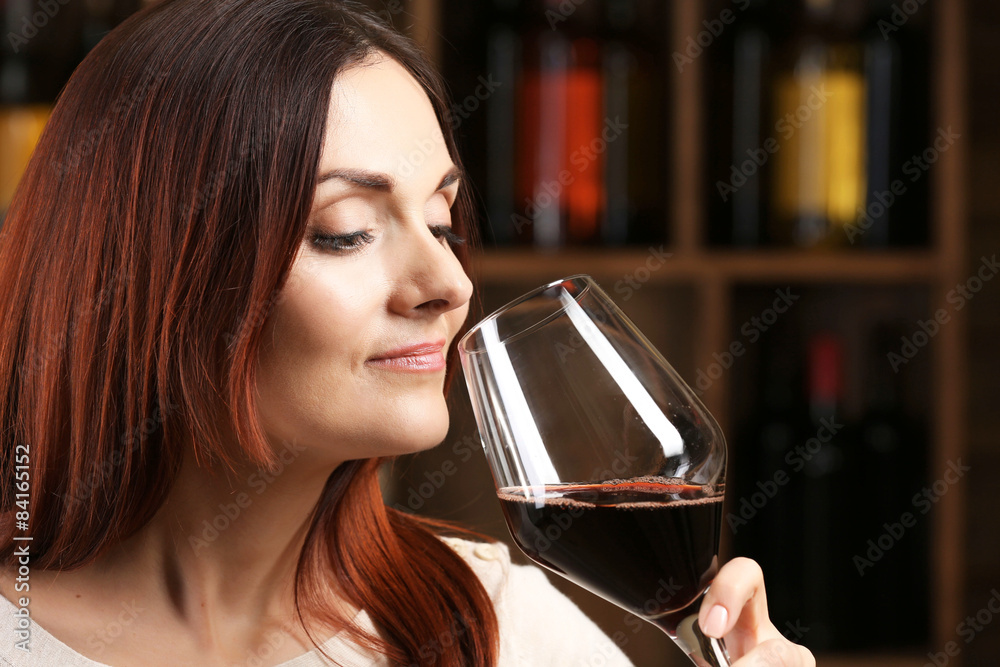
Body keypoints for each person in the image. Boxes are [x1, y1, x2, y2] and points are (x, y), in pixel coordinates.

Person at [0, 1, 816, 665]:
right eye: (347, 229)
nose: (450, 285)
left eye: (440, 219)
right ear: (151, 271)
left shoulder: (495, 627)